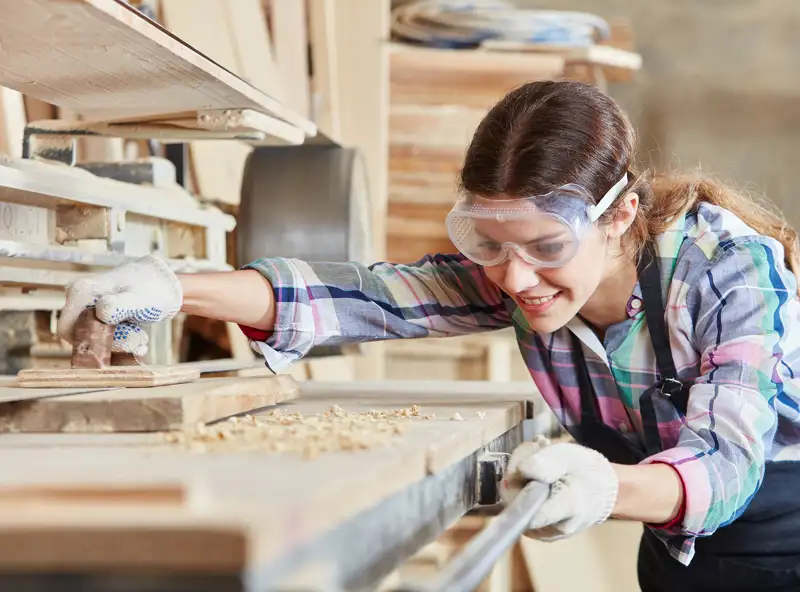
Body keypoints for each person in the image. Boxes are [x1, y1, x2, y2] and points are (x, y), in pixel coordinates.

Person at [57, 80, 800, 591]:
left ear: (617, 215)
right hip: (677, 549)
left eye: (545, 247)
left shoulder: (728, 271)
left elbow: (729, 465)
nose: (514, 279)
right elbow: (365, 296)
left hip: (784, 530)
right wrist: (173, 287)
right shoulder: (520, 271)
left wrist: (607, 486)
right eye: (491, 246)